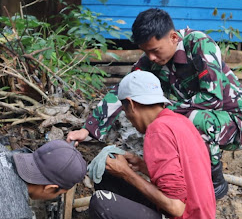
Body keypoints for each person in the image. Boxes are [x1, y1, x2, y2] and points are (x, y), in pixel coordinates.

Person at [68, 8, 242, 199]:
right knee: (165, 121)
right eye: (146, 52)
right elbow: (124, 90)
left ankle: (214, 181)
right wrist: (88, 129)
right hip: (204, 120)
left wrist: (163, 111)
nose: (151, 58)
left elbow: (212, 99)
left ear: (174, 37)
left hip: (238, 124)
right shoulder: (153, 60)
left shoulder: (199, 44)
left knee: (179, 119)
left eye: (154, 51)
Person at [88, 71, 216, 219]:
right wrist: (142, 167)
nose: (129, 119)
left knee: (102, 204)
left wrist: (126, 173)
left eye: (125, 111)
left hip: (183, 215)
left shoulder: (157, 131)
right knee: (108, 175)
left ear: (131, 104)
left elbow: (176, 208)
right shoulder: (180, 121)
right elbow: (185, 178)